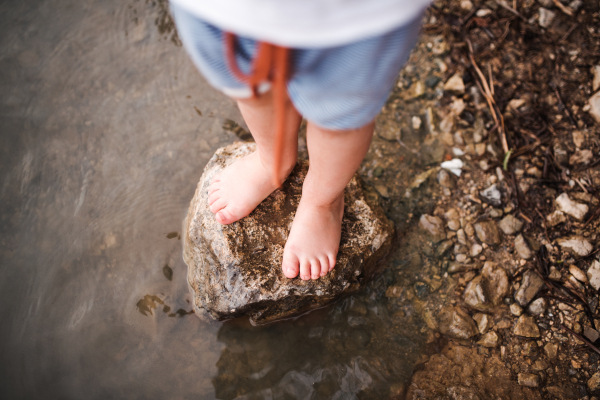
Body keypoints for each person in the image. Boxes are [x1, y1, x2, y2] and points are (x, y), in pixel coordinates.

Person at [171, 0, 431, 281]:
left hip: (356, 16)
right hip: (226, 9)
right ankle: (271, 160)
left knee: (340, 116)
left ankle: (323, 201)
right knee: (251, 85)